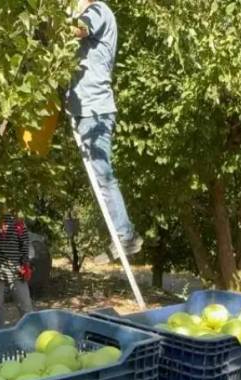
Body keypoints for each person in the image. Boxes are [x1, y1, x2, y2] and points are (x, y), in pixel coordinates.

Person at [68, 0, 142, 256]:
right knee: (98, 177)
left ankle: (126, 235)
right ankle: (123, 233)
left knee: (103, 175)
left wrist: (55, 20)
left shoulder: (97, 11)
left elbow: (78, 30)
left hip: (96, 111)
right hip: (84, 109)